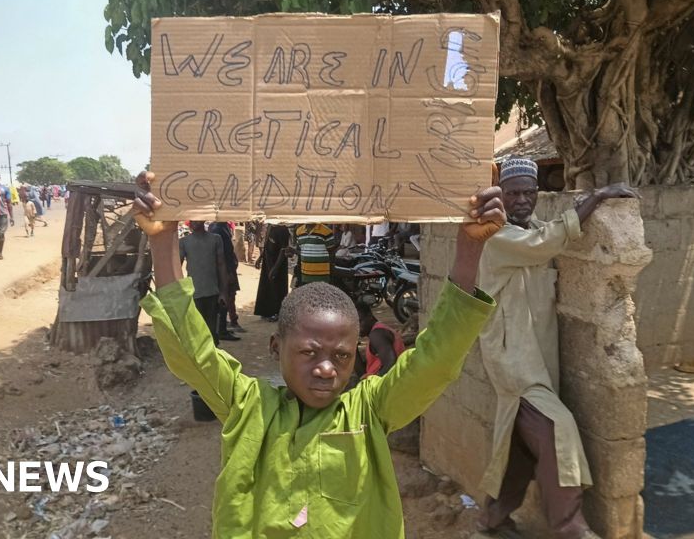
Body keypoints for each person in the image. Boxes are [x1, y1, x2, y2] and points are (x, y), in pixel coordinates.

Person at [130, 169, 504, 538]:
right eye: (309, 353)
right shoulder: (248, 407)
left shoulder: (370, 411)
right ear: (276, 348)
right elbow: (191, 350)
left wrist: (469, 250)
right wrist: (163, 243)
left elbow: (434, 360)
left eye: (341, 357)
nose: (326, 369)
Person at [476, 158, 638, 539]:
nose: (521, 201)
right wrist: (596, 197)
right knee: (555, 428)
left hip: (537, 363)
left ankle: (491, 520)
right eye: (513, 193)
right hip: (513, 364)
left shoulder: (531, 229)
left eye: (528, 193)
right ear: (501, 196)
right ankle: (569, 525)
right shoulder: (496, 237)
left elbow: (543, 234)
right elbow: (544, 242)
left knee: (518, 448)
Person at [178, 221, 230, 345]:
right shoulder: (184, 242)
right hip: (193, 293)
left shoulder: (215, 239)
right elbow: (177, 267)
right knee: (196, 330)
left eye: (197, 219)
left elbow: (221, 265)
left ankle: (213, 357)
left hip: (212, 292)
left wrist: (224, 292)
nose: (194, 222)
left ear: (203, 220)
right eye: (192, 220)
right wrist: (180, 292)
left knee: (212, 331)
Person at [209, 221, 244, 337]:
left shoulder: (218, 227)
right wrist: (228, 271)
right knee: (227, 296)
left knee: (227, 295)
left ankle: (224, 325)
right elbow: (224, 254)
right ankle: (223, 327)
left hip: (225, 268)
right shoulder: (219, 229)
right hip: (225, 269)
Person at [356, 302, 407, 377]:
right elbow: (364, 374)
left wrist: (375, 384)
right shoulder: (377, 332)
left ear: (369, 316)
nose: (357, 327)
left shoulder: (377, 334)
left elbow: (391, 363)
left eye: (359, 322)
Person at [253, 224, 291, 322]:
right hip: (267, 262)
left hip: (278, 265)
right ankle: (266, 311)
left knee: (278, 288)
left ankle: (277, 313)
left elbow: (283, 250)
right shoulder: (271, 227)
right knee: (266, 287)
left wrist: (275, 268)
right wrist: (260, 257)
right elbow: (266, 245)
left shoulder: (283, 229)